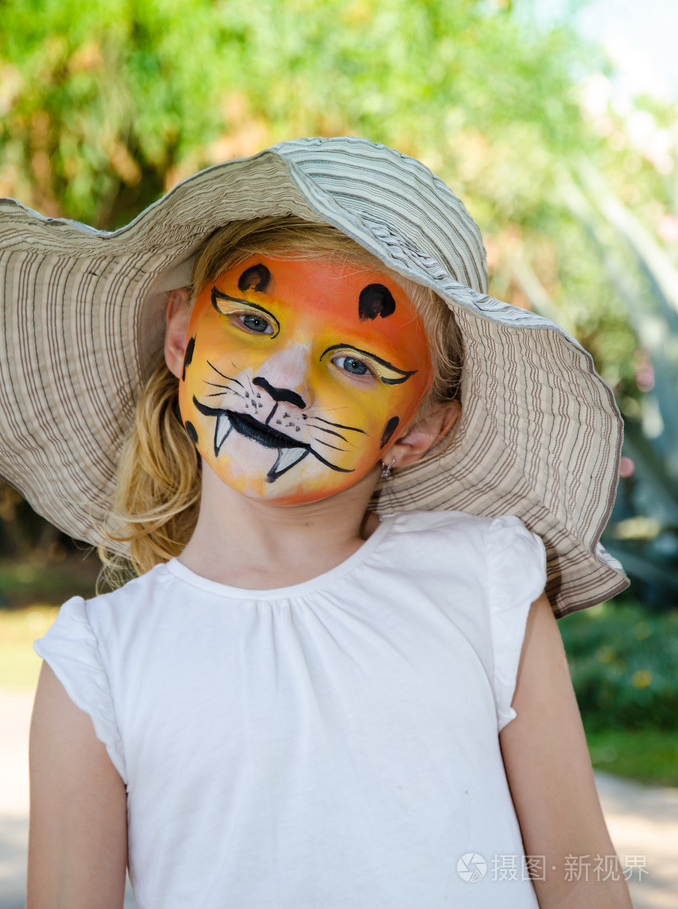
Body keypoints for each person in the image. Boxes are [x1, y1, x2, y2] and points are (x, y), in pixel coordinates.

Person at [0, 137, 632, 907]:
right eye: (256, 323)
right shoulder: (99, 662)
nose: (286, 383)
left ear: (417, 429)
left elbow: (581, 877)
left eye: (357, 362)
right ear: (179, 334)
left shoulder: (487, 585)